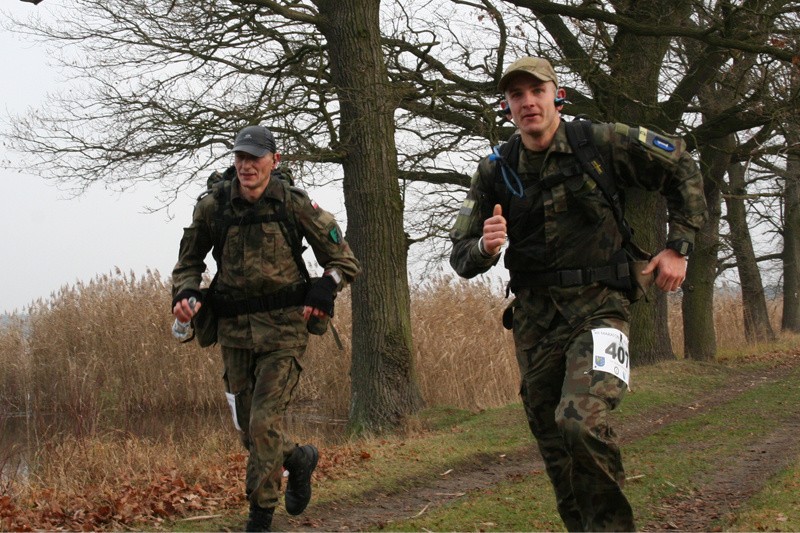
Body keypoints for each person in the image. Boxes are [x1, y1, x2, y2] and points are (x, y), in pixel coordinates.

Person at [449, 57, 708, 531]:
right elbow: (460, 255)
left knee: (580, 422)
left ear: (556, 95)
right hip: (535, 320)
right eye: (516, 96)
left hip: (601, 308)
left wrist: (679, 246)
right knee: (553, 440)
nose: (528, 102)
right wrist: (485, 247)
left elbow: (681, 162)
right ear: (507, 107)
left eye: (537, 91)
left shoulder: (601, 142)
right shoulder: (495, 169)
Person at [171, 125, 361, 532]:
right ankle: (299, 458)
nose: (246, 166)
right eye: (240, 157)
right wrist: (186, 294)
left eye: (255, 158)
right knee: (250, 433)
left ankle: (260, 518)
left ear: (274, 162)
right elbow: (188, 264)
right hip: (234, 332)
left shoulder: (294, 205)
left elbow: (344, 260)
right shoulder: (213, 208)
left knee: (262, 425)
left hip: (284, 331)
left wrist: (326, 286)